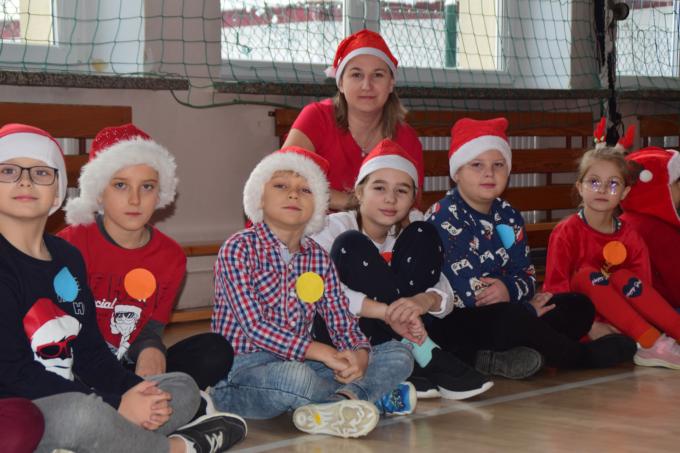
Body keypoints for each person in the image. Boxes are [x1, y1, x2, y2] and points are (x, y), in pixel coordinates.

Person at [0, 123, 245, 453]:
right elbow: (12, 373)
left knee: (180, 387)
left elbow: (90, 352)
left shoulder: (67, 256)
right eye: (9, 171)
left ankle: (112, 440)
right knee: (81, 415)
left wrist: (134, 392)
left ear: (58, 190)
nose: (25, 181)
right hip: (25, 403)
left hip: (81, 394)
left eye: (41, 172)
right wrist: (115, 404)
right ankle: (177, 448)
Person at [210, 146, 414, 438]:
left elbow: (340, 319)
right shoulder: (238, 248)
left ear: (318, 204)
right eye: (281, 186)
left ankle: (343, 401)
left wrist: (358, 354)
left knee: (400, 353)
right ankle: (365, 395)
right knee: (297, 378)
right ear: (259, 197)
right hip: (243, 370)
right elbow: (254, 327)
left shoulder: (318, 257)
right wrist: (321, 352)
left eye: (305, 189)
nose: (294, 195)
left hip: (301, 361)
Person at [426, 117, 636, 376]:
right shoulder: (443, 216)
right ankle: (579, 357)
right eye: (476, 165)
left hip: (511, 312)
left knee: (578, 306)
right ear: (457, 172)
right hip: (458, 321)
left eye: (498, 165)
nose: (489, 173)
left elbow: (526, 275)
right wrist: (526, 308)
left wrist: (513, 291)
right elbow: (470, 295)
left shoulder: (509, 216)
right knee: (511, 319)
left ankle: (507, 357)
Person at [58, 124, 233, 396]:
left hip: (125, 364)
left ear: (160, 193)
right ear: (99, 191)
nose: (135, 199)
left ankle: (130, 399)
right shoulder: (69, 245)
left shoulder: (171, 258)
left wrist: (150, 349)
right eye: (120, 185)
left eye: (147, 187)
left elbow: (149, 327)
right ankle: (134, 402)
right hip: (77, 362)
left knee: (215, 350)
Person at [311, 139, 493, 400]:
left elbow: (443, 290)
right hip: (345, 332)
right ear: (359, 192)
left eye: (402, 190)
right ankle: (424, 353)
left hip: (405, 329)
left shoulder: (412, 226)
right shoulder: (332, 227)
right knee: (351, 244)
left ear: (412, 199)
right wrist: (385, 313)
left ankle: (410, 356)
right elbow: (324, 293)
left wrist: (423, 300)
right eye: (379, 187)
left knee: (423, 233)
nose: (390, 198)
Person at [544, 143, 680, 369]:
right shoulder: (566, 232)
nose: (603, 189)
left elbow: (643, 288)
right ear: (580, 187)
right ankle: (651, 343)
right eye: (594, 181)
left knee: (623, 276)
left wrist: (623, 322)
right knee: (586, 275)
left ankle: (663, 337)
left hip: (625, 323)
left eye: (613, 183)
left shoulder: (630, 235)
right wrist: (588, 325)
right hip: (585, 325)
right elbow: (556, 289)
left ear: (625, 192)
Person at [282, 28, 424, 211]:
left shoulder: (407, 138)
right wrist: (354, 203)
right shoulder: (316, 116)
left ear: (391, 84)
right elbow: (284, 177)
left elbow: (410, 205)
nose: (367, 85)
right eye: (356, 75)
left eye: (378, 75)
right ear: (341, 83)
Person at [620, 146, 680, 308]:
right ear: (659, 190)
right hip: (663, 308)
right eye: (676, 183)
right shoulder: (660, 230)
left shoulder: (625, 220)